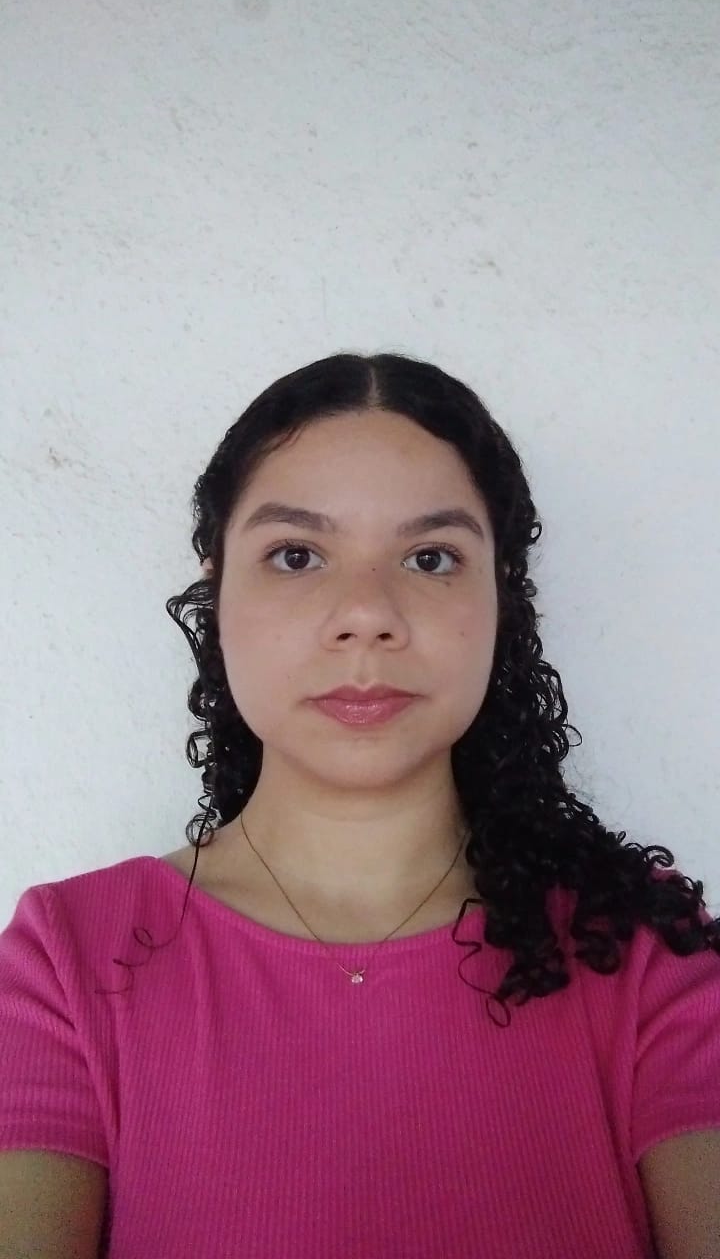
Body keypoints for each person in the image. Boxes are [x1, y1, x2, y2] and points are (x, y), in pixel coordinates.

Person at [1, 351, 719, 1259]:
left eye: (431, 557)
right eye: (296, 555)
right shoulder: (68, 958)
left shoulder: (648, 954)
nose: (367, 613)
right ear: (216, 591)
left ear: (503, 595)